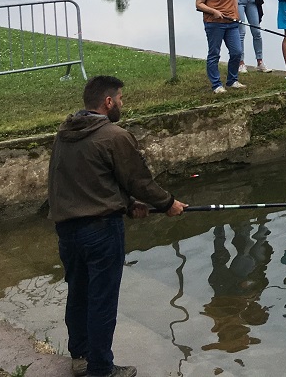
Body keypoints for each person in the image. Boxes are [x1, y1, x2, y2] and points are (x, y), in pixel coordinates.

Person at [48, 75, 187, 377]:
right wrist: (168, 203)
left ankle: (80, 356)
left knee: (78, 293)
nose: (123, 103)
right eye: (121, 98)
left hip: (67, 230)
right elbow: (139, 180)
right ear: (108, 102)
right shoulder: (114, 135)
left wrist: (126, 204)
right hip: (101, 231)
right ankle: (101, 368)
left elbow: (81, 180)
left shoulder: (64, 134)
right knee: (102, 299)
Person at [196, 0, 249, 94]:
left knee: (237, 52)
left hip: (231, 22)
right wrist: (213, 11)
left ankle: (232, 80)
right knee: (214, 53)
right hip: (214, 23)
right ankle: (216, 84)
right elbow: (199, 4)